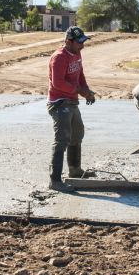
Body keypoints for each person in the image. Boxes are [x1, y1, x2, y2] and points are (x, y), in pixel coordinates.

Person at [46, 26, 96, 192]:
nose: (82, 45)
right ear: (69, 41)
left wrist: (87, 91)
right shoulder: (59, 58)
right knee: (62, 139)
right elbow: (57, 83)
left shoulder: (77, 53)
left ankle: (75, 171)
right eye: (79, 42)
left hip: (72, 101)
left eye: (83, 41)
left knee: (77, 134)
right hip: (59, 102)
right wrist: (80, 91)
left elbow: (80, 75)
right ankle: (55, 180)